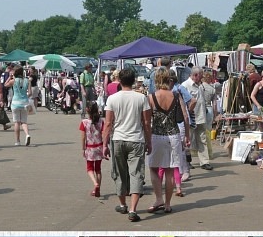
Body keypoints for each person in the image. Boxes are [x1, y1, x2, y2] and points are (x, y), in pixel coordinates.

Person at [102, 66, 150, 220]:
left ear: (119, 81)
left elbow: (108, 123)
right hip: (136, 139)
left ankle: (122, 204)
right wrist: (149, 141)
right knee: (136, 173)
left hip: (118, 139)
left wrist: (104, 144)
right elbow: (147, 122)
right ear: (134, 80)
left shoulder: (112, 98)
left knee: (119, 173)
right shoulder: (141, 98)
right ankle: (133, 209)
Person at [147, 70, 190, 215]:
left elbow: (146, 121)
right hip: (174, 135)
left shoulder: (151, 97)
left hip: (157, 135)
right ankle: (167, 203)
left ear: (156, 80)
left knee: (153, 168)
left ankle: (158, 198)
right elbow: (185, 116)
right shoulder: (177, 96)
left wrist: (146, 139)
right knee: (170, 171)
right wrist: (187, 135)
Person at [79, 101, 107, 198]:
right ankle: (97, 188)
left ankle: (95, 184)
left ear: (87, 110)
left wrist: (83, 148)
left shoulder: (84, 122)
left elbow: (83, 137)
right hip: (99, 147)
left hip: (89, 148)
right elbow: (103, 135)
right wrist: (105, 146)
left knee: (89, 168)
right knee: (98, 169)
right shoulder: (101, 121)